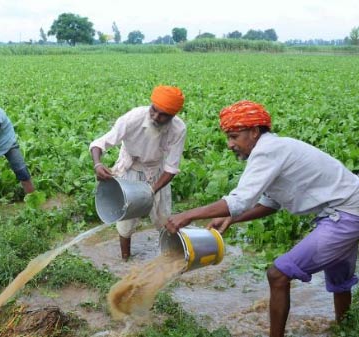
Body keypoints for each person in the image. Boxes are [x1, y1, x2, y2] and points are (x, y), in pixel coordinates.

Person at [165, 100, 359, 337]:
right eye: (228, 137)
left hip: (346, 213)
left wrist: (187, 215)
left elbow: (239, 201)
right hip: (346, 209)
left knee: (277, 275)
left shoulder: (267, 151)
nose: (230, 144)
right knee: (339, 280)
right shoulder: (274, 149)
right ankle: (344, 328)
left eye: (234, 136)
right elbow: (270, 203)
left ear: (254, 132)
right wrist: (230, 219)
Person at [89, 85, 187, 261]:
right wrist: (97, 164)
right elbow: (100, 143)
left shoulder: (178, 129)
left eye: (163, 114)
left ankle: (168, 259)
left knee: (163, 219)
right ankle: (125, 259)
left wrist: (152, 189)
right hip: (131, 169)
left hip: (158, 172)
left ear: (173, 116)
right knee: (125, 220)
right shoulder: (133, 118)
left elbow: (171, 168)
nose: (156, 117)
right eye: (154, 110)